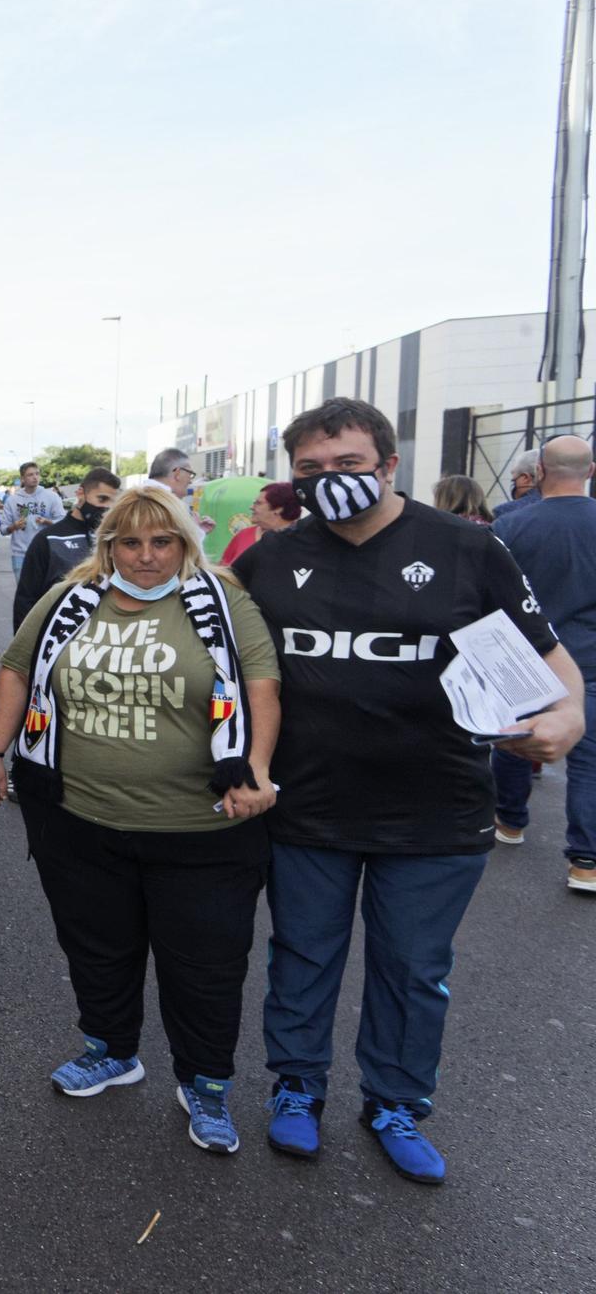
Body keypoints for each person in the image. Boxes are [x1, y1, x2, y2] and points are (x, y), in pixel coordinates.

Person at [232, 398, 584, 1184]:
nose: (331, 481)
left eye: (349, 464)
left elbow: (547, 655)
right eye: (311, 470)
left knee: (413, 968)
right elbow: (211, 647)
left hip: (436, 810)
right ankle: (297, 1085)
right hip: (308, 806)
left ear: (390, 464)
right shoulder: (271, 557)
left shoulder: (466, 548)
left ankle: (396, 1100)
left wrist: (569, 712)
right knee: (302, 954)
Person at [0, 484, 281, 1154]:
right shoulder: (70, 598)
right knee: (96, 945)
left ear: (184, 542)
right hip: (80, 820)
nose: (146, 556)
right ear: (108, 545)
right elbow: (15, 669)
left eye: (162, 541)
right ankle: (111, 1049)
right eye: (130, 542)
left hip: (203, 828)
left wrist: (257, 766)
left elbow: (261, 681)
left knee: (203, 965)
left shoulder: (222, 601)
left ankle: (204, 1083)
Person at [488, 435, 596, 892]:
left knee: (516, 740)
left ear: (542, 472)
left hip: (525, 653)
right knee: (590, 760)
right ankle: (586, 861)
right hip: (590, 656)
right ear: (589, 472)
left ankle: (511, 821)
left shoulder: (511, 525)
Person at [13, 467, 122, 632]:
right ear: (80, 494)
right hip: (59, 636)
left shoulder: (115, 539)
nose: (106, 508)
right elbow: (26, 599)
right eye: (102, 499)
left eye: (112, 503)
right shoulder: (48, 539)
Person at [3, 462, 66, 582]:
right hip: (20, 555)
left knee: (44, 596)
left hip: (46, 553)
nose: (35, 477)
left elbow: (63, 522)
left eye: (37, 474)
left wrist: (48, 522)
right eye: (30, 475)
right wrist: (14, 526)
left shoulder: (51, 496)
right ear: (22, 478)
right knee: (23, 596)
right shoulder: (12, 500)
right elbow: (3, 529)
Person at [218, 482, 300, 565]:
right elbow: (223, 572)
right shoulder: (243, 535)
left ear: (278, 509)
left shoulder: (302, 539)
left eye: (258, 503)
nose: (251, 507)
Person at [149, 449, 214, 536]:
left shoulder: (143, 499)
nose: (190, 481)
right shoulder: (163, 505)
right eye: (190, 473)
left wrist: (196, 531)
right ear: (177, 473)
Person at [492, 448, 542, 522]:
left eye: (513, 478)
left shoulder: (504, 511)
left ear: (525, 478)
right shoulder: (562, 507)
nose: (513, 483)